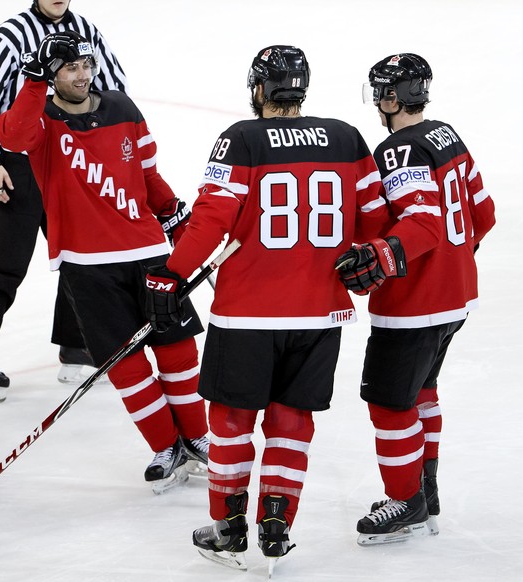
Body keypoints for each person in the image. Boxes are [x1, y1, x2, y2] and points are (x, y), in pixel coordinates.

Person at [144, 46, 392, 571]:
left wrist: (172, 273)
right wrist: (372, 258)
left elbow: (212, 215)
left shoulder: (243, 138)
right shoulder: (346, 138)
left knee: (232, 419)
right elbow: (374, 220)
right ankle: (277, 521)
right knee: (292, 420)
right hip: (321, 315)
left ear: (259, 89)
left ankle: (229, 526)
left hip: (247, 314)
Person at [0, 31, 208, 493]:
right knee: (125, 362)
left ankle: (197, 437)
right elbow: (11, 136)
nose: (82, 74)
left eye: (85, 64)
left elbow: (147, 173)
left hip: (148, 251)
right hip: (85, 262)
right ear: (51, 76)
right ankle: (165, 444)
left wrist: (172, 211)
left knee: (177, 350)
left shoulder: (123, 108)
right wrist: (32, 84)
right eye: (69, 67)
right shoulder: (41, 118)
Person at [336, 53, 496, 545]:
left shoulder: (399, 150)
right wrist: (454, 264)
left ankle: (404, 500)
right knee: (421, 391)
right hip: (458, 297)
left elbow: (423, 221)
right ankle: (425, 490)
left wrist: (382, 255)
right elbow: (484, 213)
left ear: (390, 97)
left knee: (388, 402)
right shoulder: (446, 135)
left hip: (415, 306)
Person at [0, 0, 132, 401]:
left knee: (82, 256)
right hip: (19, 163)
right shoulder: (10, 36)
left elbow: (114, 86)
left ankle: (77, 347)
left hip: (69, 159)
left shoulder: (85, 29)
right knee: (4, 264)